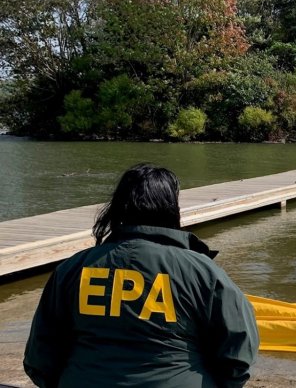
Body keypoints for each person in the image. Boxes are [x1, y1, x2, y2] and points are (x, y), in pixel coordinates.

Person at [24, 163, 259, 388]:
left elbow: (40, 355)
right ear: (171, 208)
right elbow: (238, 351)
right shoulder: (203, 272)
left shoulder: (72, 269)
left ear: (117, 206)